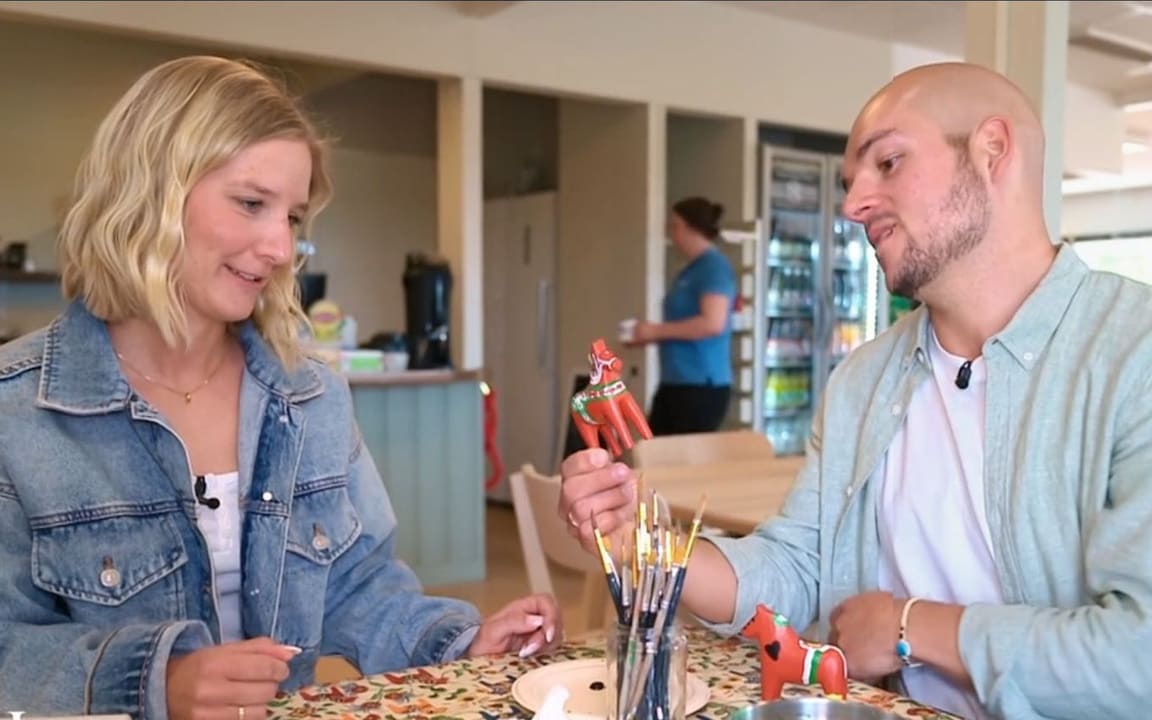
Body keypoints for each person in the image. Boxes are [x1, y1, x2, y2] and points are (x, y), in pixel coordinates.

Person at [559, 61, 1152, 720]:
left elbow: (1140, 657)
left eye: (888, 163)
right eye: (849, 183)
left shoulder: (1135, 356)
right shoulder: (863, 379)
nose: (852, 206)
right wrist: (636, 544)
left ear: (992, 151)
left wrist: (911, 626)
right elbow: (797, 570)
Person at [0, 56, 561, 720]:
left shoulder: (313, 397)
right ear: (149, 193)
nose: (280, 247)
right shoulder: (17, 410)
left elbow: (358, 584)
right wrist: (156, 681)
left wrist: (458, 642)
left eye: (292, 217)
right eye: (251, 203)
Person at [627, 196, 737, 435]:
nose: (672, 234)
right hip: (676, 381)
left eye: (676, 227)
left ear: (692, 229)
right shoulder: (689, 271)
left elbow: (712, 323)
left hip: (701, 384)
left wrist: (656, 331)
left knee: (677, 452)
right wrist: (650, 335)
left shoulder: (713, 268)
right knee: (655, 446)